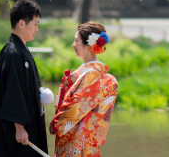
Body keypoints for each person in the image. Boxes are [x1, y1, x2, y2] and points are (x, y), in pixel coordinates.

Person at [0, 0, 49, 157]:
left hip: (26, 129)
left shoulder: (21, 50)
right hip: (16, 133)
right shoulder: (13, 52)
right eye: (35, 24)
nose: (37, 29)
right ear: (21, 24)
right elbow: (13, 91)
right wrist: (19, 127)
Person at [50, 22, 119, 157]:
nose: (73, 45)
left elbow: (77, 106)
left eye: (76, 41)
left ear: (88, 45)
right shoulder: (90, 72)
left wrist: (57, 123)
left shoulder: (93, 74)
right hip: (78, 138)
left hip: (79, 141)